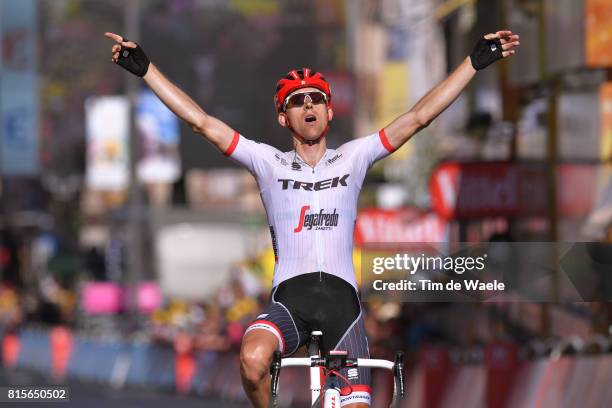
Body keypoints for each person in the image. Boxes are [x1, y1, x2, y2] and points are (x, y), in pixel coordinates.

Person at [105, 29, 519, 407]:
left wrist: (473, 63)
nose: (309, 105)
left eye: (317, 98)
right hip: (290, 302)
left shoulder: (354, 157)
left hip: (343, 306)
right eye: (297, 101)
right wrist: (146, 71)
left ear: (329, 112)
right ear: (284, 118)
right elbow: (201, 122)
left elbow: (417, 117)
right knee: (251, 361)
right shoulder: (267, 163)